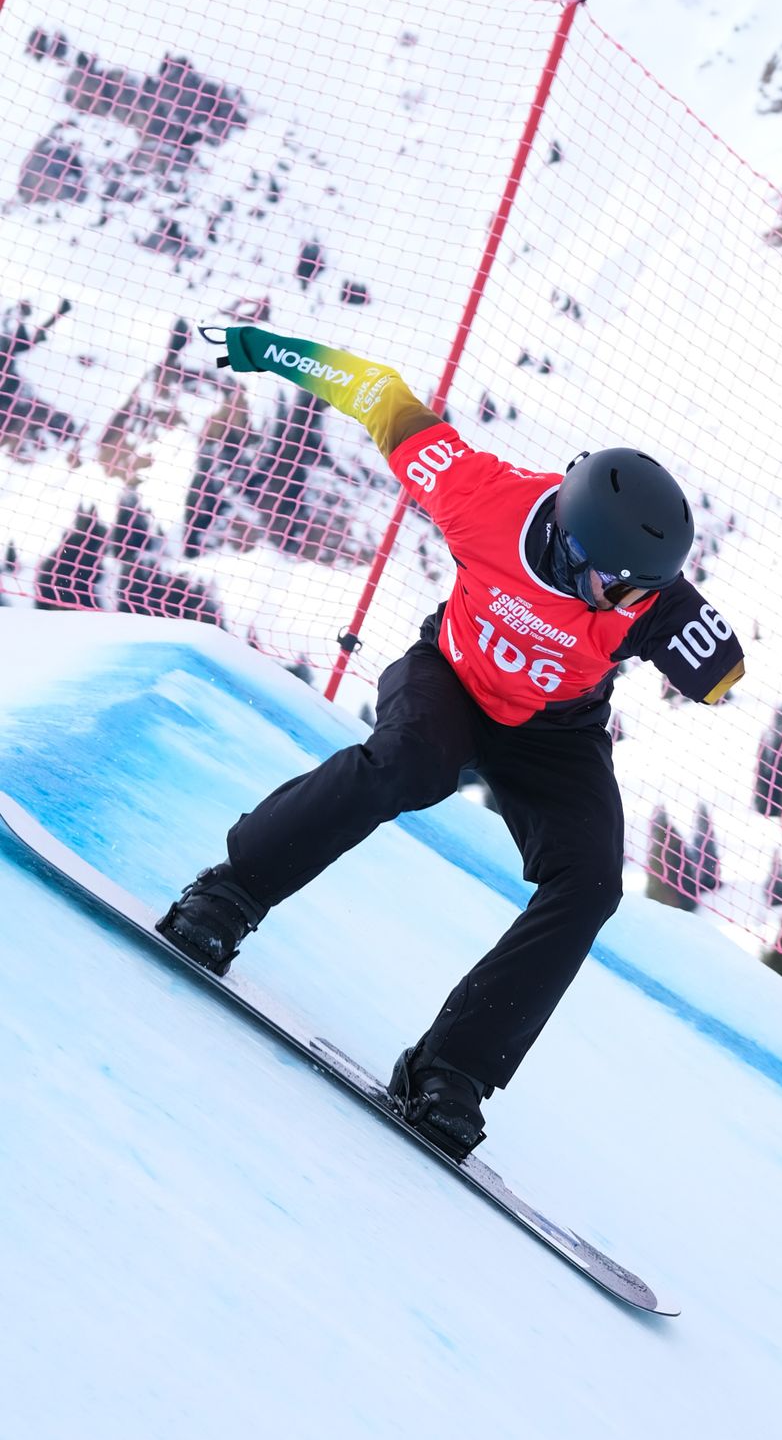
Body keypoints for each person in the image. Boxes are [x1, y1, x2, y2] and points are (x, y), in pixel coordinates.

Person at [158, 325, 745, 1158]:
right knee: (406, 764)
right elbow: (380, 396)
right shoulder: (482, 496)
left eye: (643, 591)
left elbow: (720, 672)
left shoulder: (652, 600)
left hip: (554, 730)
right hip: (450, 677)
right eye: (615, 585)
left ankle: (450, 1071)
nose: (626, 604)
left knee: (589, 883)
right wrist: (263, 349)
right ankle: (225, 895)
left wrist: (713, 666)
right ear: (566, 542)